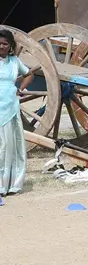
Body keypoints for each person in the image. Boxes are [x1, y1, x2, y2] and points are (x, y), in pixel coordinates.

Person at [0, 29, 35, 195]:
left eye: (5, 44)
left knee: (9, 145)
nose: (1, 46)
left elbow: (29, 74)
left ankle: (9, 185)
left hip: (10, 107)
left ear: (10, 46)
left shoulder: (14, 62)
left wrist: (20, 89)